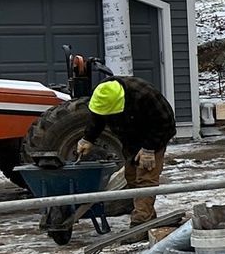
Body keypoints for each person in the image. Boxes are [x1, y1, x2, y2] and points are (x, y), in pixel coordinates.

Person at [75, 76, 177, 226]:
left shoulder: (145, 95)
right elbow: (97, 119)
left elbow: (167, 124)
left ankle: (140, 223)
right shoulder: (101, 95)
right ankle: (148, 218)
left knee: (145, 178)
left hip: (153, 137)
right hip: (129, 140)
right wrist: (88, 138)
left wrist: (149, 149)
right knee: (131, 177)